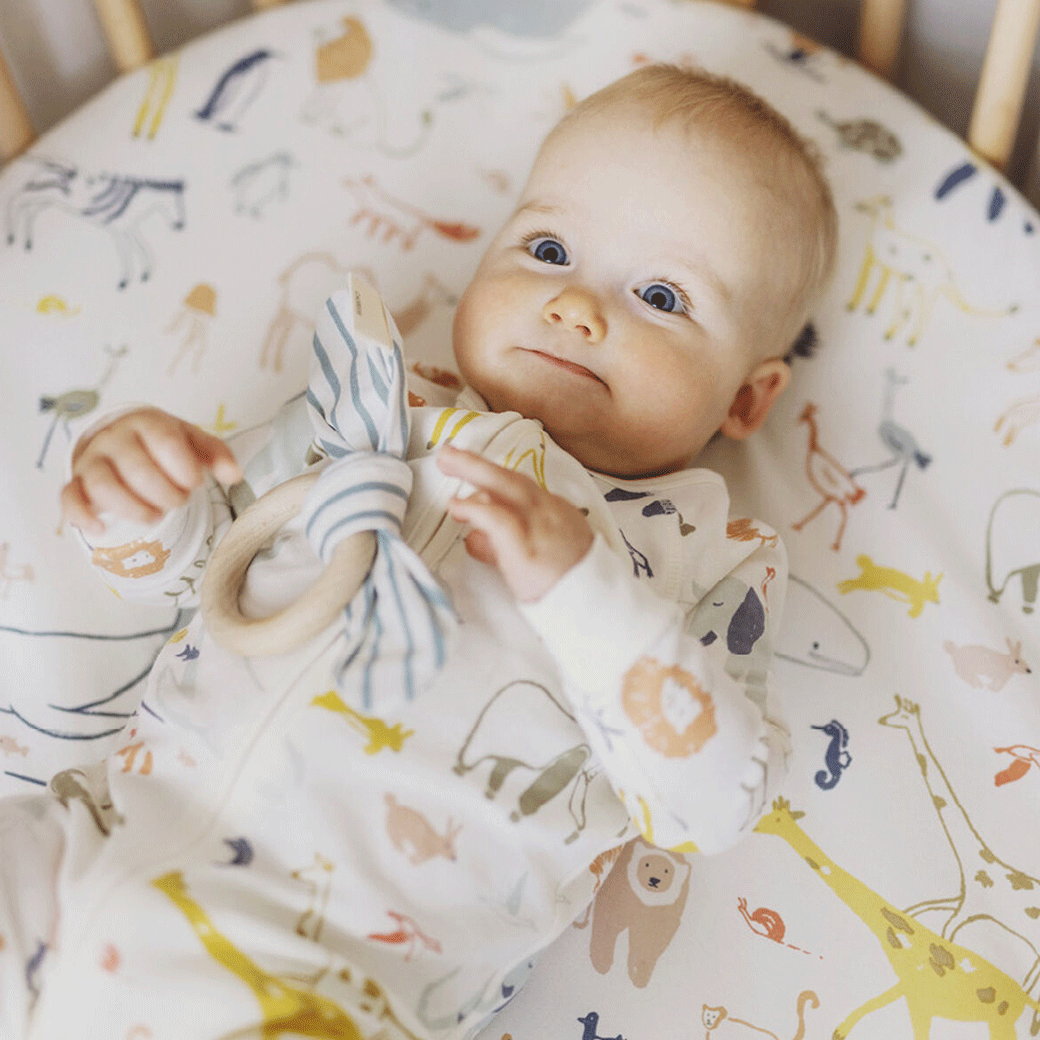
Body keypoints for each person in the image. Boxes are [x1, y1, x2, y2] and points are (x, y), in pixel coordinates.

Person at [6, 63, 837, 1040]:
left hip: (332, 967)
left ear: (747, 399)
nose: (575, 305)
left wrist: (582, 590)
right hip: (88, 841)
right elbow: (204, 570)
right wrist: (137, 501)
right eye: (548, 245)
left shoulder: (710, 559)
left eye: (659, 294)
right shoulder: (375, 406)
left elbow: (708, 801)